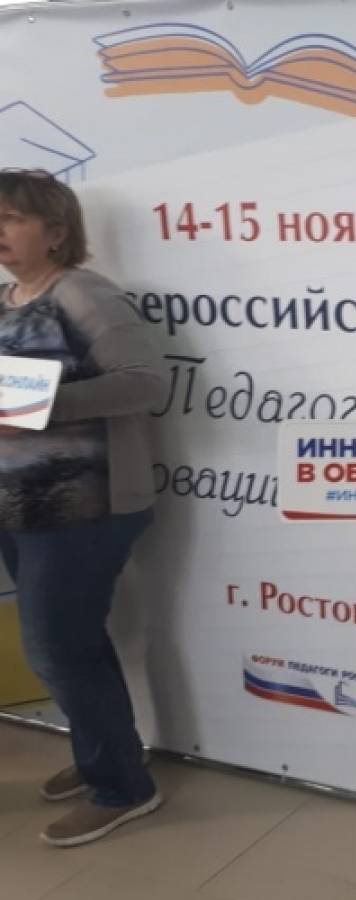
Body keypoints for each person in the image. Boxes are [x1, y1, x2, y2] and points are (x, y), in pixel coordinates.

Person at [0, 169, 166, 847]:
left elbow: (146, 383)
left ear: (56, 231)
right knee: (74, 645)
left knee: (56, 648)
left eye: (11, 219)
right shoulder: (9, 299)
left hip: (86, 507)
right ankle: (108, 754)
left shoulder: (83, 292)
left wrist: (39, 406)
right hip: (22, 506)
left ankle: (123, 788)